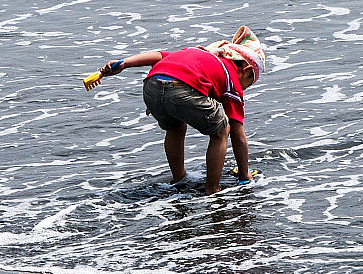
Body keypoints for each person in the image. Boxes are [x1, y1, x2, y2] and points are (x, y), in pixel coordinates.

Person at [97, 25, 265, 194]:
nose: (244, 89)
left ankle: (179, 179)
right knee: (222, 130)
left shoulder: (199, 53)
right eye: (250, 83)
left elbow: (159, 56)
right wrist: (244, 175)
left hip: (152, 86)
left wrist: (124, 63)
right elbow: (237, 132)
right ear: (246, 71)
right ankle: (212, 189)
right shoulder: (232, 79)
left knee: (175, 127)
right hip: (181, 89)